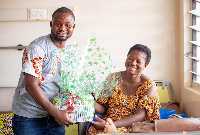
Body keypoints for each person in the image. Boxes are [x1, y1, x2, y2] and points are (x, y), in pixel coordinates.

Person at [11, 7, 76, 135]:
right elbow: (31, 85)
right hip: (29, 117)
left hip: (55, 117)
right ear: (51, 24)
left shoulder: (70, 52)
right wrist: (56, 113)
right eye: (58, 24)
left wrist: (76, 107)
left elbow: (66, 84)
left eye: (67, 25)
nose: (63, 28)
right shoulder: (38, 48)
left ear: (73, 26)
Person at [87, 44, 161, 134]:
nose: (133, 63)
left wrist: (110, 125)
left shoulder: (149, 86)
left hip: (132, 126)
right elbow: (104, 109)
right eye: (130, 58)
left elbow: (140, 116)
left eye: (138, 61)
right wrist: (89, 100)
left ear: (145, 65)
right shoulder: (113, 78)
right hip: (108, 122)